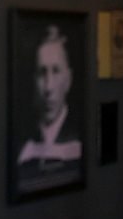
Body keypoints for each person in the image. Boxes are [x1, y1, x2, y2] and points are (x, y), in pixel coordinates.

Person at [17, 25, 81, 175]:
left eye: (56, 71)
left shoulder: (78, 136)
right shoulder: (23, 144)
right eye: (42, 73)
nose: (48, 87)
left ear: (68, 79)